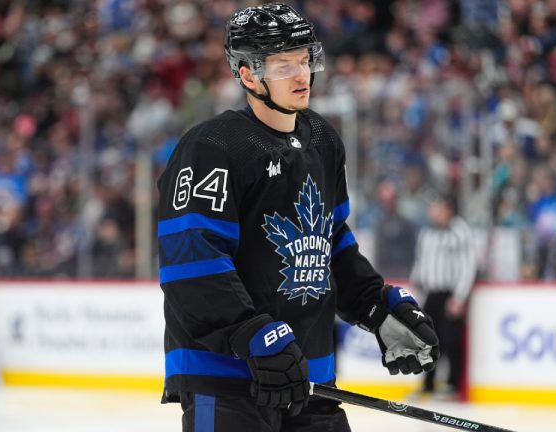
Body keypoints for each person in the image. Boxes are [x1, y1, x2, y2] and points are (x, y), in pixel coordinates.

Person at [156, 4, 440, 431]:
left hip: (309, 381)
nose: (301, 74)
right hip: (228, 384)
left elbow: (331, 241)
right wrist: (252, 335)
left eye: (305, 60)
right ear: (249, 75)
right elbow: (191, 259)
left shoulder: (323, 139)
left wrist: (374, 305)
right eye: (284, 64)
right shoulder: (212, 147)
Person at [409, 195, 476, 400]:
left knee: (450, 340)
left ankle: (452, 386)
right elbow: (421, 261)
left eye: (437, 208)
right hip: (431, 293)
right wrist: (416, 281)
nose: (433, 212)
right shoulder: (426, 232)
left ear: (447, 209)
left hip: (450, 293)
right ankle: (427, 384)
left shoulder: (459, 230)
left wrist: (459, 296)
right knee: (427, 339)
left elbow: (468, 264)